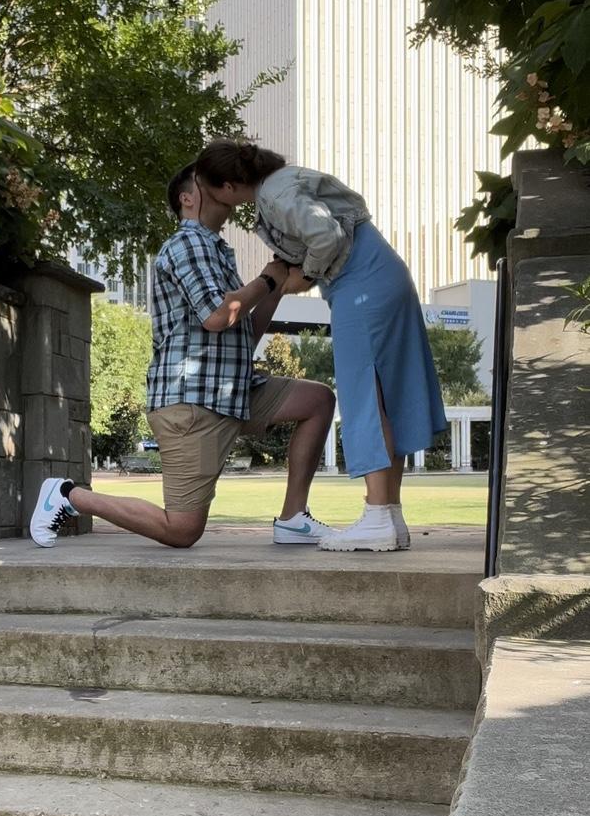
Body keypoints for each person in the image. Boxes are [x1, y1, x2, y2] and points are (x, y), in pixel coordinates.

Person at [29, 162, 336, 549]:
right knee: (182, 530)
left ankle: (293, 519)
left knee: (317, 400)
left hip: (232, 392)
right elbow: (216, 316)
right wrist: (266, 279)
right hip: (191, 402)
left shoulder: (217, 252)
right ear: (187, 199)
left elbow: (241, 337)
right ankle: (67, 495)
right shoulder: (187, 244)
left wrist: (277, 287)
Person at [194, 139, 447, 552]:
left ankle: (377, 516)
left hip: (360, 287)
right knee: (385, 395)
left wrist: (305, 276)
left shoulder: (274, 195)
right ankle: (390, 516)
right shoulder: (285, 180)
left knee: (363, 395)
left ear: (227, 187)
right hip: (382, 275)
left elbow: (325, 235)